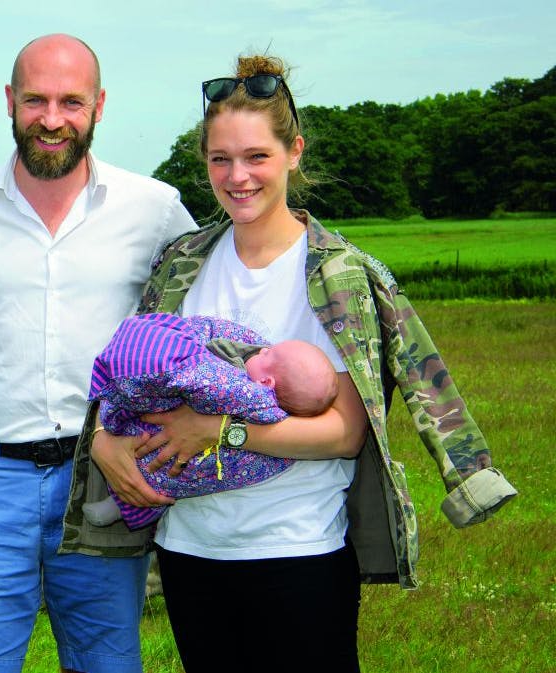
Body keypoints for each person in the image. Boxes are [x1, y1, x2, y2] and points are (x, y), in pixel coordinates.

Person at [59, 55, 517, 673]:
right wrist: (110, 443)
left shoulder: (338, 276)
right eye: (220, 159)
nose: (237, 176)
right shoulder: (180, 265)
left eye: (257, 157)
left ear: (293, 152)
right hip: (191, 551)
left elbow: (345, 434)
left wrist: (219, 430)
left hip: (299, 554)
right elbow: (128, 375)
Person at [0, 34, 197, 673]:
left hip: (104, 480)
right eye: (36, 100)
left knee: (105, 665)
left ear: (99, 105)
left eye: (71, 101)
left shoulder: (154, 209)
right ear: (9, 103)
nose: (52, 119)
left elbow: (199, 319)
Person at [80, 312, 339, 530]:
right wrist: (101, 432)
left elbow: (210, 387)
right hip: (188, 538)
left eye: (267, 356)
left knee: (166, 462)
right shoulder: (182, 261)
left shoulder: (253, 396)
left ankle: (129, 504)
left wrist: (215, 426)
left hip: (283, 528)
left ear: (267, 382)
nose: (261, 350)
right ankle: (129, 500)